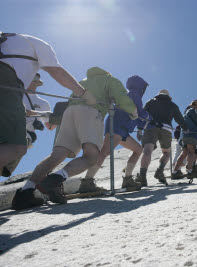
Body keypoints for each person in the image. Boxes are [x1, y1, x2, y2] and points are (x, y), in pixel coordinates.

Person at [11, 67, 138, 210]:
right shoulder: (109, 79)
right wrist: (133, 111)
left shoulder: (83, 81)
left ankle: (25, 193)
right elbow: (121, 97)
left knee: (56, 156)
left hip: (69, 113)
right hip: (91, 112)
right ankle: (55, 179)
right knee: (91, 157)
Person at [1, 33, 89, 209]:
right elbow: (56, 71)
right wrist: (84, 94)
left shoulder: (41, 101)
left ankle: (26, 192)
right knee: (17, 148)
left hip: (19, 125)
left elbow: (49, 126)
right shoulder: (38, 46)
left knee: (14, 150)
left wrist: (48, 117)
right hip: (13, 112)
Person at [81, 75, 150, 193]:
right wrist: (149, 118)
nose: (144, 89)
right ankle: (87, 182)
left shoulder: (131, 95)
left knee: (138, 149)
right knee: (104, 152)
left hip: (122, 128)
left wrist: (141, 126)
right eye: (144, 87)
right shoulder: (134, 94)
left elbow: (136, 115)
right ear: (140, 86)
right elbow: (140, 113)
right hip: (117, 125)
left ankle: (127, 178)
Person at [2, 73, 55, 177]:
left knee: (21, 144)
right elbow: (17, 110)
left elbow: (50, 126)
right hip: (8, 128)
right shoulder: (15, 94)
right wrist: (38, 113)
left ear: (36, 83)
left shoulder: (43, 103)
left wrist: (59, 118)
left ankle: (5, 168)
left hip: (25, 134)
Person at [135, 89, 188, 186]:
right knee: (166, 153)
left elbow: (143, 116)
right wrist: (185, 128)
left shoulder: (151, 102)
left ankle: (142, 177)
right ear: (168, 96)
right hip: (166, 129)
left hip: (151, 126)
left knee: (147, 151)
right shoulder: (173, 105)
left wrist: (139, 129)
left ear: (158, 95)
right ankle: (160, 170)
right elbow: (179, 118)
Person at [172, 100, 197, 179]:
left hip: (185, 135)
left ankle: (175, 172)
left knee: (184, 153)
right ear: (194, 105)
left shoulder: (186, 113)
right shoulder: (192, 111)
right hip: (191, 134)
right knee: (191, 152)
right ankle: (190, 172)